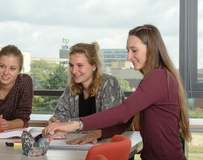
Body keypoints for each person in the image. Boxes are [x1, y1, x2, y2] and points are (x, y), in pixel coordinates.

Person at [44, 24, 191, 160]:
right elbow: (126, 120)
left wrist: (77, 124)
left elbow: (124, 111)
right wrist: (97, 134)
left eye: (134, 50)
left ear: (151, 48)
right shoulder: (154, 78)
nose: (129, 57)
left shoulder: (159, 77)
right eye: (128, 51)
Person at [49, 42, 130, 145]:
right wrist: (55, 122)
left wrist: (70, 125)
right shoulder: (72, 88)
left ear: (94, 66)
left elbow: (109, 123)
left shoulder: (109, 83)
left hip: (114, 143)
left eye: (80, 65)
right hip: (80, 145)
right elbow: (59, 116)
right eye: (71, 65)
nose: (74, 71)